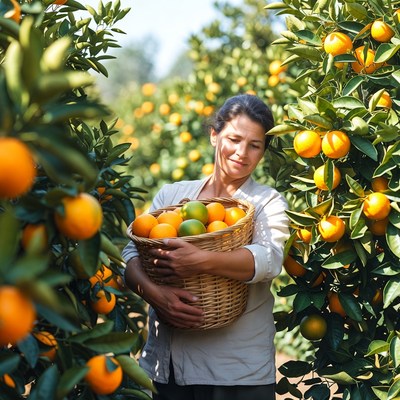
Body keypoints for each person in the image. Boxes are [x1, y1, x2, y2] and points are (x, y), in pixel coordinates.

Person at [122, 93, 290, 400]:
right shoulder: (174, 195)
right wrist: (155, 294)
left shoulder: (266, 202)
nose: (242, 152)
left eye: (255, 145)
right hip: (165, 367)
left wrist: (200, 261)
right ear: (214, 135)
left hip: (236, 372)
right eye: (234, 139)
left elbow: (269, 259)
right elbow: (132, 253)